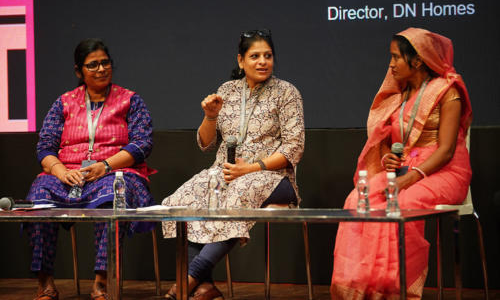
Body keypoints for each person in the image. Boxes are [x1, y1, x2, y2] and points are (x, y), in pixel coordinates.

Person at [161, 29, 305, 300]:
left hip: (273, 177)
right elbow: (205, 144)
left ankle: (187, 282)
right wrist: (210, 116)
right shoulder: (226, 90)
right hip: (225, 174)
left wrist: (249, 169)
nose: (263, 61)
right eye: (255, 56)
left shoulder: (287, 92)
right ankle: (205, 287)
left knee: (238, 193)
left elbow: (294, 148)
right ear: (241, 61)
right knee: (186, 195)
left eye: (268, 56)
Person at [330, 27, 473, 299]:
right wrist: (391, 159)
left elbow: (445, 151)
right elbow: (398, 145)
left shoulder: (447, 90)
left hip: (445, 171)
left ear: (417, 60)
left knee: (404, 204)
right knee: (357, 199)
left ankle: (397, 289)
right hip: (407, 170)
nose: (390, 64)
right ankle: (363, 289)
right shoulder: (400, 95)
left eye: (396, 57)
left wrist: (411, 177)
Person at [25, 38, 155, 300]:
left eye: (105, 63)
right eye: (92, 65)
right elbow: (45, 147)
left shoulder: (130, 100)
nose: (100, 69)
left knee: (111, 196)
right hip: (68, 174)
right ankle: (45, 281)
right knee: (39, 195)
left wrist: (105, 165)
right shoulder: (63, 102)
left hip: (113, 172)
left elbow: (143, 143)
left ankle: (102, 281)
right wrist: (61, 172)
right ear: (79, 71)